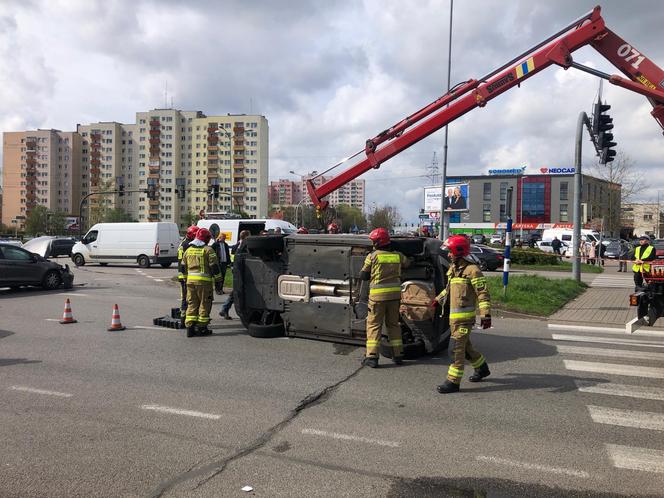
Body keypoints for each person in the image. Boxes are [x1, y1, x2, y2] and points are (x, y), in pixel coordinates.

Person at [433, 235, 491, 394]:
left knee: (455, 350)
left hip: (464, 320)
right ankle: (482, 368)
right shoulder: (453, 269)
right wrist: (437, 300)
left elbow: (483, 294)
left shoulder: (473, 271)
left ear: (458, 252)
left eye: (450, 252)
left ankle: (453, 382)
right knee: (465, 347)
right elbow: (449, 289)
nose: (449, 255)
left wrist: (486, 315)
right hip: (454, 319)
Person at [359, 227, 410, 368]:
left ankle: (372, 357)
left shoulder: (372, 256)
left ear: (378, 242)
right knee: (393, 325)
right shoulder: (398, 256)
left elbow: (364, 275)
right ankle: (398, 354)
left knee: (374, 325)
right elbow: (408, 263)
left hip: (377, 298)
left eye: (374, 241)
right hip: (394, 297)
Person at [182, 228, 223, 337]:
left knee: (192, 304)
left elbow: (183, 267)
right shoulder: (208, 250)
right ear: (206, 239)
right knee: (204, 304)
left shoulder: (188, 250)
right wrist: (219, 281)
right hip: (204, 283)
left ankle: (190, 328)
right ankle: (202, 328)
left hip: (190, 282)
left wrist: (186, 280)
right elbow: (214, 267)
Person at [220, 229, 251, 320]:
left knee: (237, 291)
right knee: (238, 291)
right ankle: (226, 309)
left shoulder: (235, 246)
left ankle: (225, 309)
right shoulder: (245, 246)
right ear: (246, 237)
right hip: (242, 271)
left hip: (237, 271)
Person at [177, 225, 199, 325]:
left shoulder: (184, 243)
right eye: (195, 235)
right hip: (185, 275)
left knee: (186, 297)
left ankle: (184, 317)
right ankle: (183, 319)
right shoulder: (188, 245)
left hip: (183, 274)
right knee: (187, 297)